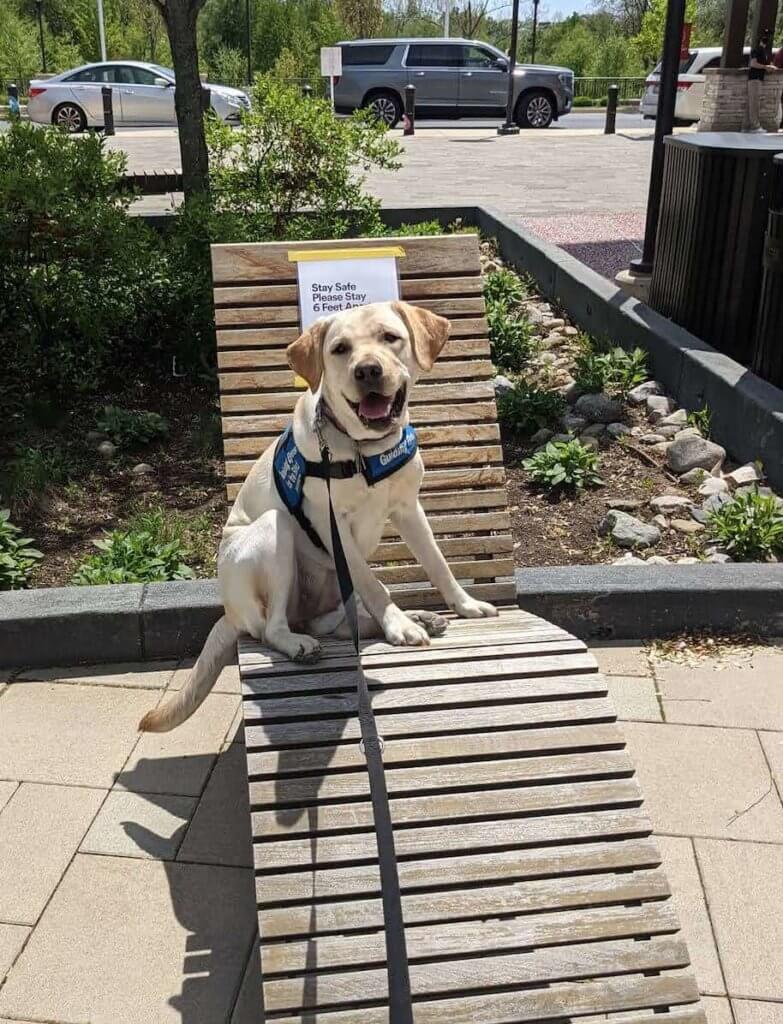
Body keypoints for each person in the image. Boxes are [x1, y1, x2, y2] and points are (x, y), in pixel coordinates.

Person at [746, 29, 777, 132]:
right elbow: (753, 64)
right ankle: (755, 126)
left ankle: (746, 126)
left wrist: (768, 66)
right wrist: (765, 67)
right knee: (754, 103)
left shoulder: (763, 51)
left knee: (752, 103)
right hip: (755, 79)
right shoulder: (757, 50)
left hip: (758, 79)